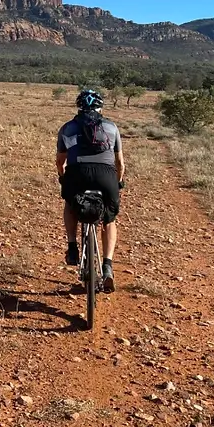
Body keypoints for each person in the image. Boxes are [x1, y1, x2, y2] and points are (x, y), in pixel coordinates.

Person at [55, 89, 125, 292]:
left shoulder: (68, 128)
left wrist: (63, 178)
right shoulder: (111, 127)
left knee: (70, 203)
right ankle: (107, 266)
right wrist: (118, 182)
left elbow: (60, 161)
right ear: (100, 107)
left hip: (77, 173)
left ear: (79, 107)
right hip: (106, 175)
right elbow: (119, 162)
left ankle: (72, 246)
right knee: (110, 219)